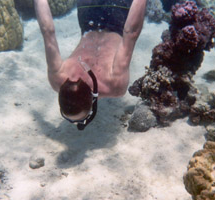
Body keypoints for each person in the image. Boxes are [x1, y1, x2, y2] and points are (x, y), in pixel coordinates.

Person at [34, 0, 147, 130]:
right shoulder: (57, 79)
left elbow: (131, 33)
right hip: (87, 13)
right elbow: (47, 30)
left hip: (118, 13)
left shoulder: (115, 86)